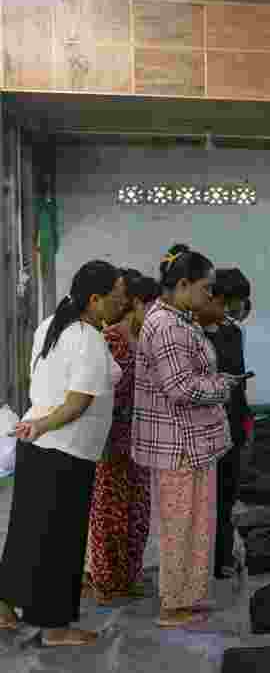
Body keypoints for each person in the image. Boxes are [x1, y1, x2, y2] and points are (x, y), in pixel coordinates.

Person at [0, 260, 125, 646]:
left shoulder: (51, 325)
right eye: (116, 299)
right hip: (64, 451)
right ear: (95, 299)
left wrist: (37, 427)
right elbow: (76, 403)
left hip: (39, 450)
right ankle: (54, 627)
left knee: (27, 534)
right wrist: (44, 425)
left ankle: (5, 606)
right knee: (61, 542)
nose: (121, 305)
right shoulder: (87, 337)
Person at [132, 244, 244, 628]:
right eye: (205, 287)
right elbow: (180, 387)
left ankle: (188, 597)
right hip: (178, 442)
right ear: (182, 284)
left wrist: (217, 383)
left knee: (198, 521)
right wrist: (221, 388)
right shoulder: (165, 325)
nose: (210, 296)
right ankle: (172, 602)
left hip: (194, 441)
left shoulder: (180, 319)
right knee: (180, 525)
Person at [82, 273, 161, 604]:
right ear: (136, 305)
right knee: (109, 511)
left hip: (138, 436)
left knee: (138, 510)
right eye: (153, 306)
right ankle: (105, 581)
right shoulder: (110, 340)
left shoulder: (143, 341)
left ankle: (129, 575)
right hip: (112, 436)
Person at [194, 267, 253, 579]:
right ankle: (201, 561)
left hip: (231, 424)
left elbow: (239, 381)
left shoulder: (232, 332)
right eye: (231, 302)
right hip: (203, 429)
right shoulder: (193, 333)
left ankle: (221, 558)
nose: (234, 310)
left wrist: (244, 421)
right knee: (205, 497)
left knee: (227, 495)